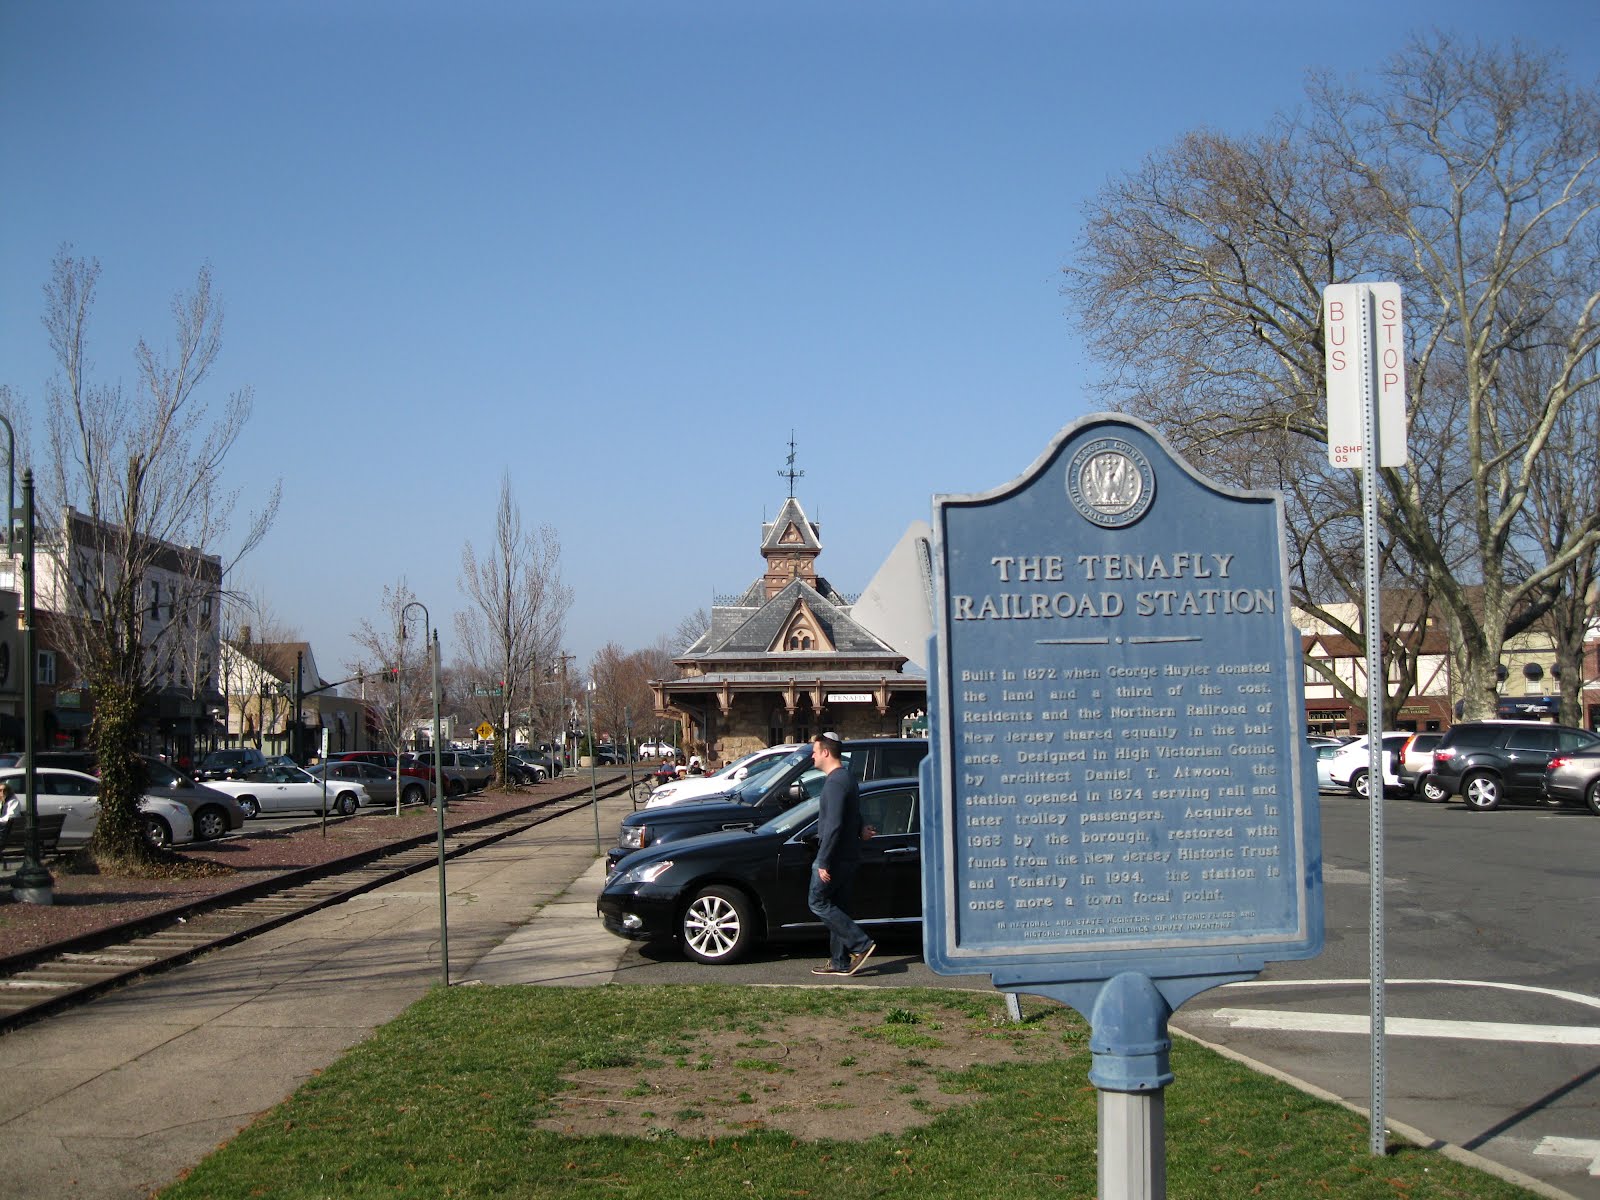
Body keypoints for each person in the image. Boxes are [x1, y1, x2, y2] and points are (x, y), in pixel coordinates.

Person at [807, 732, 876, 977]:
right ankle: (840, 961)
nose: (812, 755)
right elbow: (851, 814)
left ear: (826, 752)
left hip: (834, 857)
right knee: (839, 906)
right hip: (848, 854)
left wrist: (824, 861)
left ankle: (861, 943)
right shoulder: (846, 778)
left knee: (817, 901)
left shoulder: (835, 782)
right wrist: (861, 828)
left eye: (815, 751)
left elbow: (834, 824)